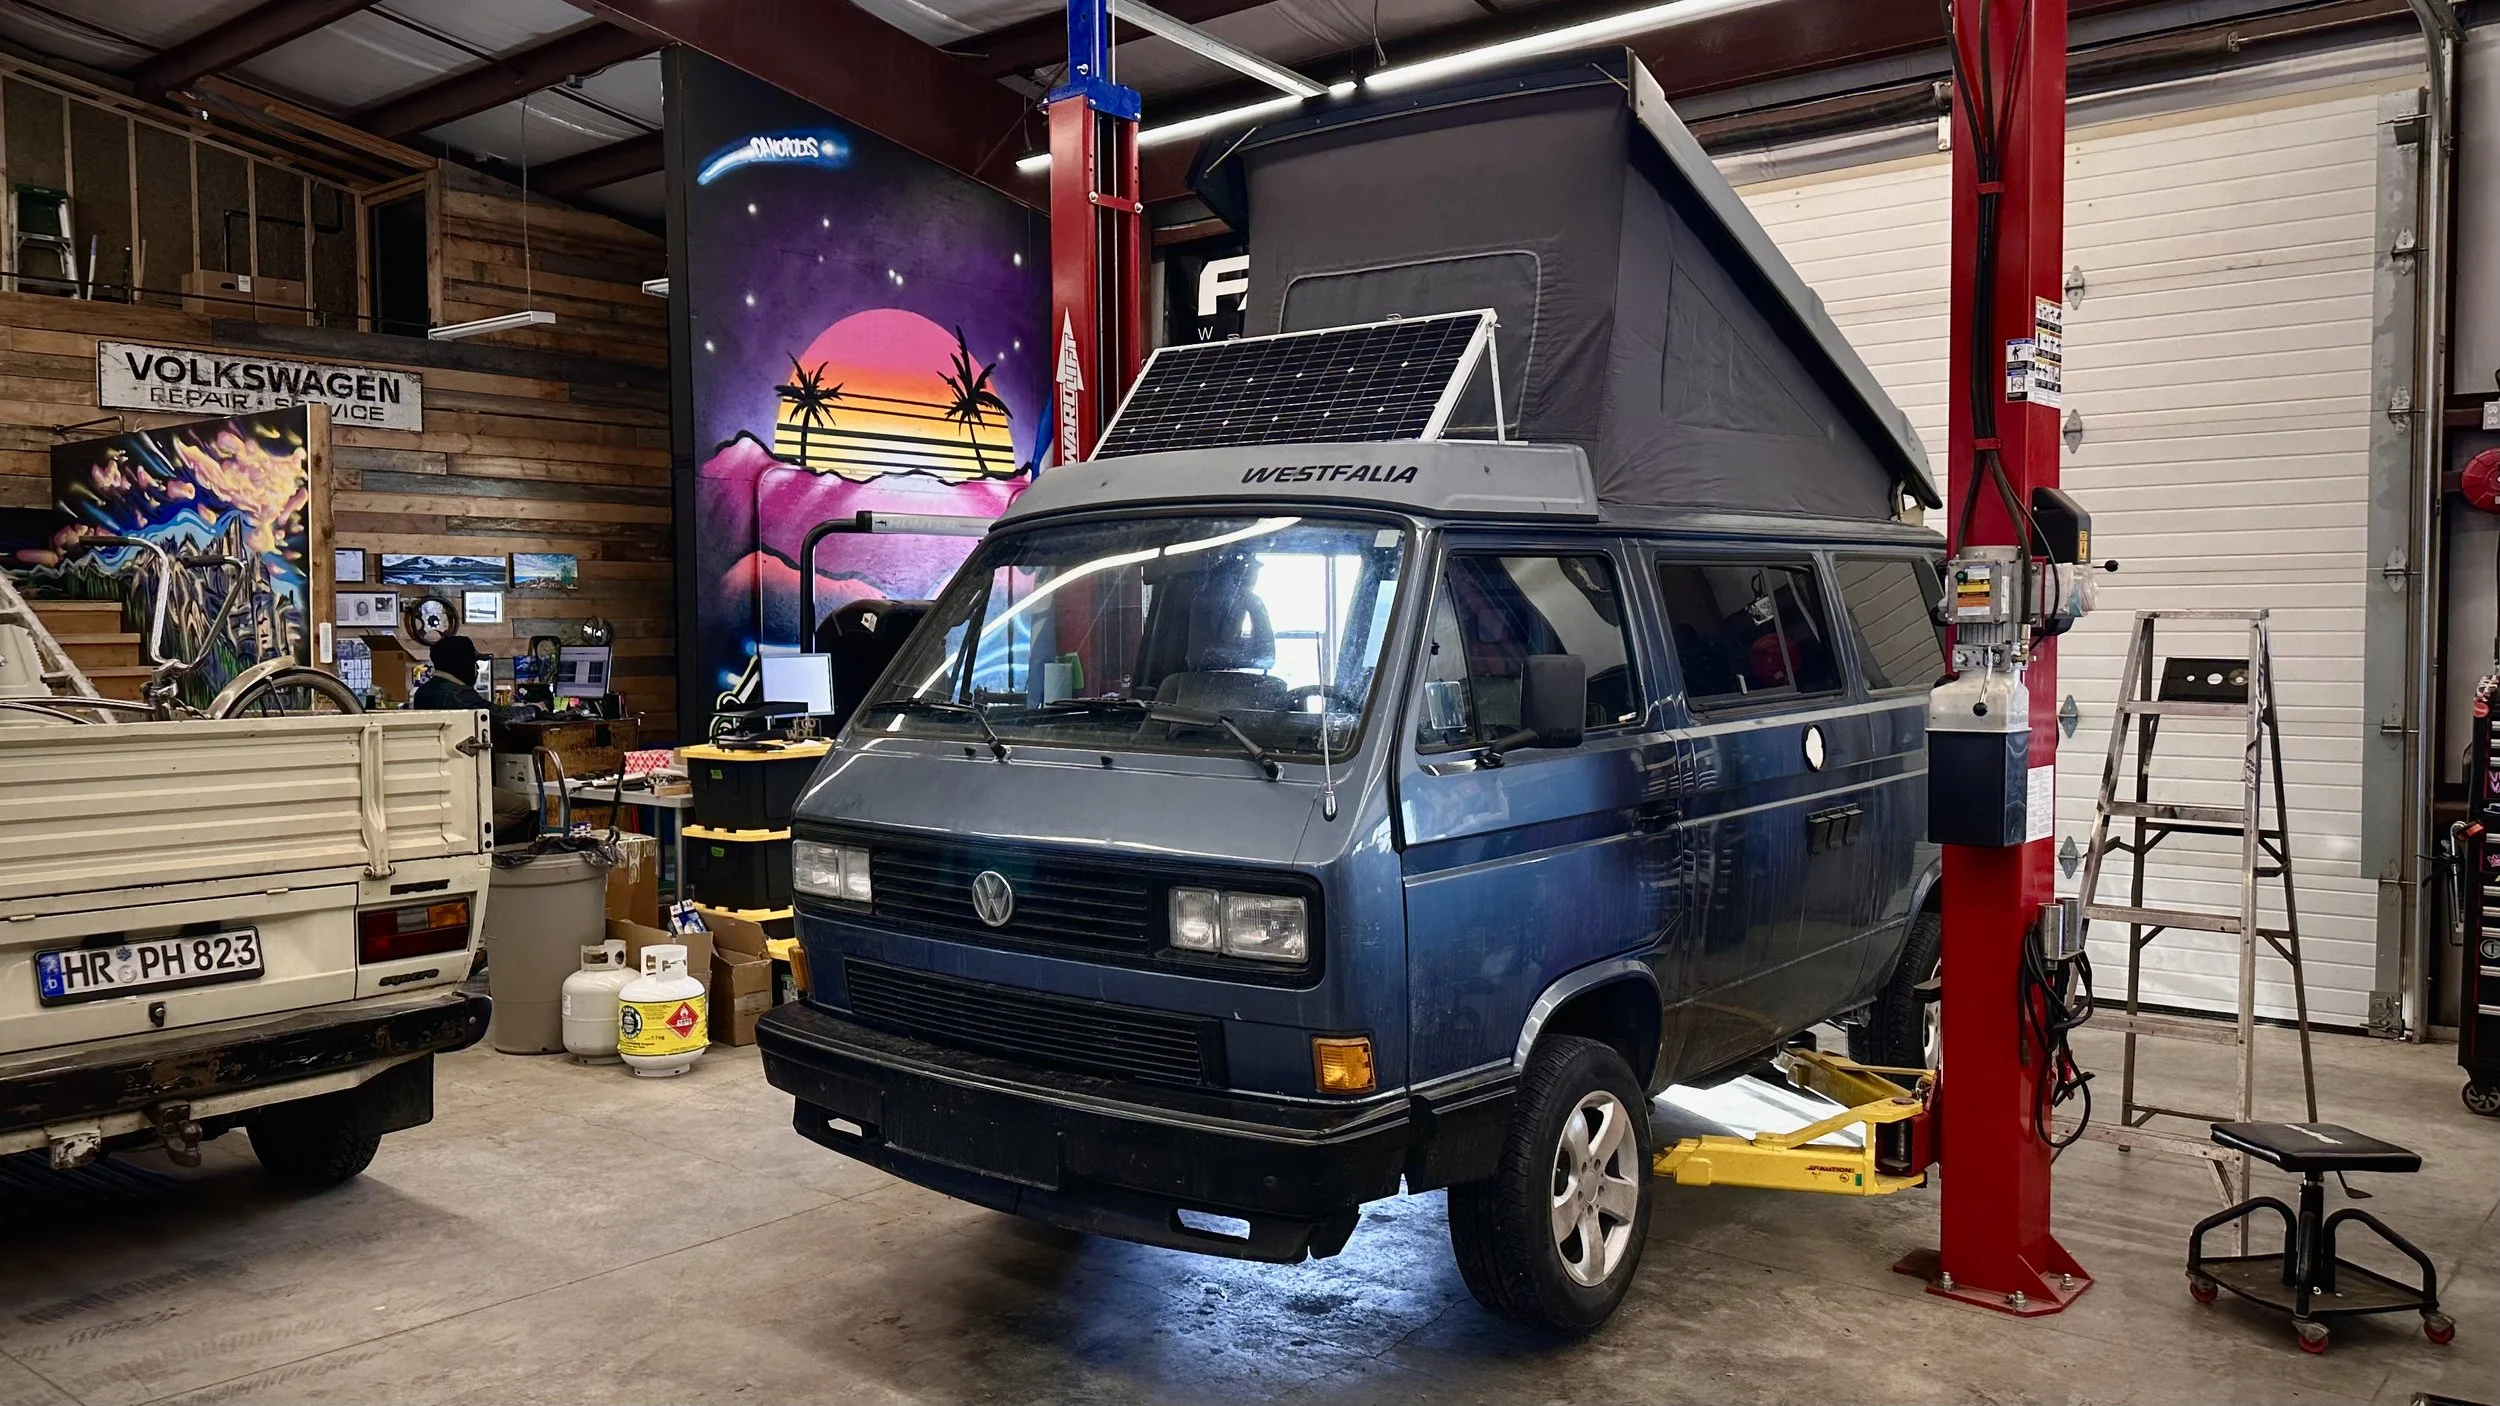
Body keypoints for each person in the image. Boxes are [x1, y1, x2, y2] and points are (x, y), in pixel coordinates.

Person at [412, 634, 491, 712]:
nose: (478, 667)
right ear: (463, 664)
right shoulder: (458, 693)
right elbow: (499, 716)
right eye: (473, 662)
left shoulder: (423, 690)